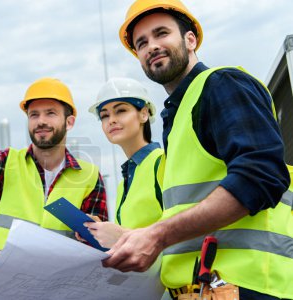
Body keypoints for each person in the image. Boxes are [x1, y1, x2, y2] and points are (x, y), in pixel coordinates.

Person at [102, 0, 293, 299]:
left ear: (190, 39)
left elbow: (261, 176)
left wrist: (157, 234)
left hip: (247, 287)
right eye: (142, 43)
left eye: (161, 33)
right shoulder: (177, 119)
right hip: (202, 291)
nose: (151, 46)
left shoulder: (222, 84)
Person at [0, 77, 108, 265]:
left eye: (50, 113)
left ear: (69, 122)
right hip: (3, 288)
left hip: (60, 289)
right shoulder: (8, 164)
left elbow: (95, 253)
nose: (41, 121)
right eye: (34, 115)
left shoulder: (88, 177)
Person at [83, 77, 163, 249]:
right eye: (104, 115)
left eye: (120, 111)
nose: (111, 120)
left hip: (174, 274)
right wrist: (102, 233)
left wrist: (121, 235)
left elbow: (182, 229)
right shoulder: (123, 185)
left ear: (144, 114)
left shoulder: (162, 162)